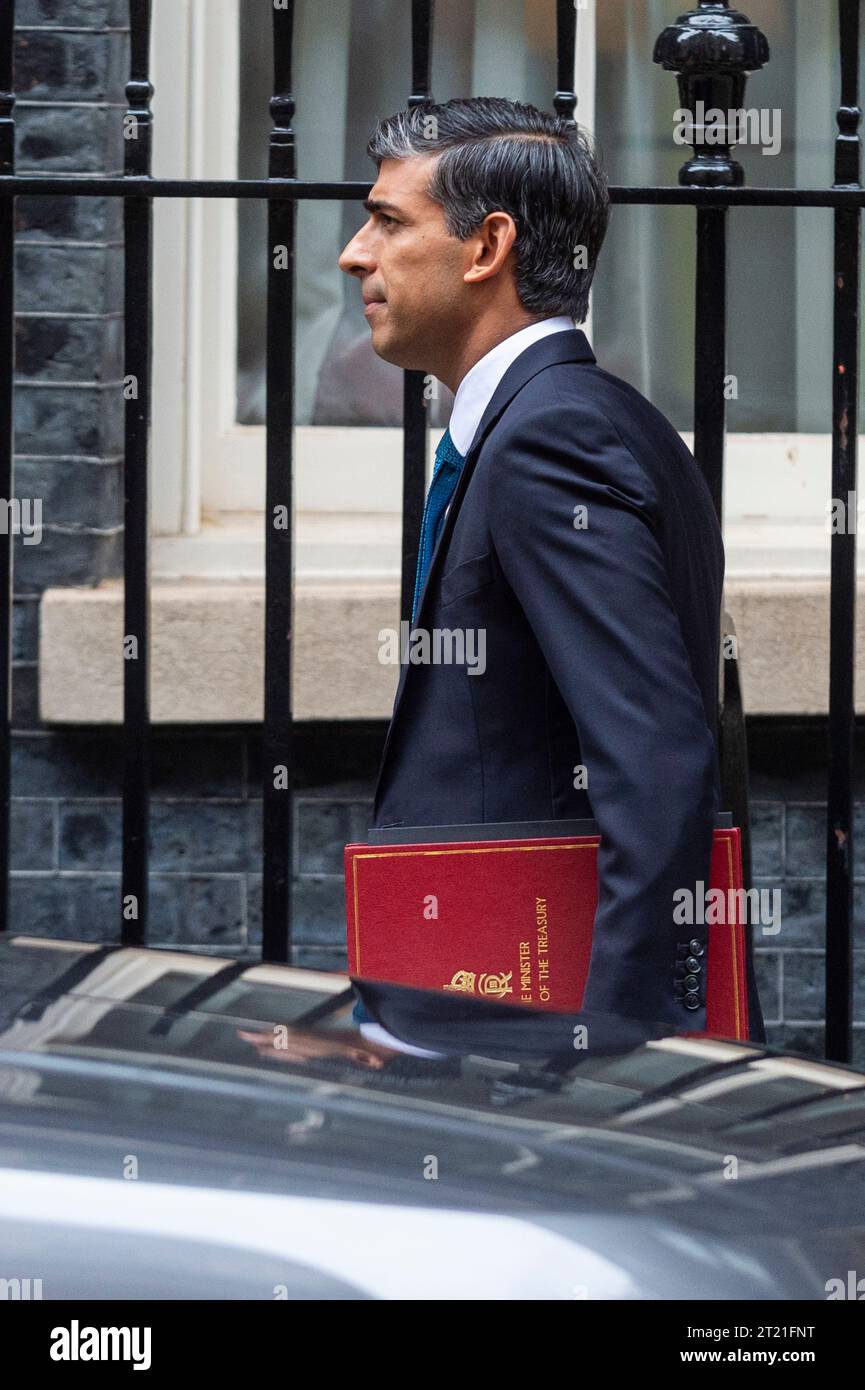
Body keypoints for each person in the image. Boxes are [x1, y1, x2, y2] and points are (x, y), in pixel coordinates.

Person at [338, 97, 765, 1043]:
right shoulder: (581, 418)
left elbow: (656, 757)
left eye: (389, 221)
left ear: (486, 247)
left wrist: (616, 1058)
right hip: (481, 993)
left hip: (529, 1034)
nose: (354, 254)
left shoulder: (550, 437)